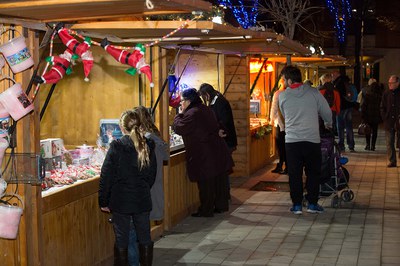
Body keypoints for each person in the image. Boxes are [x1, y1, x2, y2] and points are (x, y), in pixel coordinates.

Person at [99, 109, 157, 266]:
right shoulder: (148, 145)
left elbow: (106, 176)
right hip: (142, 199)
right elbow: (151, 175)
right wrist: (142, 189)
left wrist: (103, 201)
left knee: (122, 239)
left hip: (121, 201)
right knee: (145, 237)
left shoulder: (117, 147)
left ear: (121, 127)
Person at [278, 65, 332, 214]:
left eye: (283, 79)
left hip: (292, 141)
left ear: (289, 80)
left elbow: (283, 113)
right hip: (312, 139)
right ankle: (312, 204)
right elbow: (326, 111)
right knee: (313, 172)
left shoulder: (282, 96)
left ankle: (296, 205)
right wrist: (328, 123)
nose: (282, 82)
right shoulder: (314, 93)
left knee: (294, 174)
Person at [173, 88, 234, 217]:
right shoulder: (205, 109)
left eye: (182, 101)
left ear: (188, 101)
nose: (181, 104)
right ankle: (220, 206)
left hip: (204, 154)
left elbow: (179, 127)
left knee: (206, 184)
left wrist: (178, 115)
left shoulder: (192, 114)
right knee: (217, 183)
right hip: (215, 151)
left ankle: (206, 210)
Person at [198, 83, 237, 199]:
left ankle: (225, 194)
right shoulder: (218, 101)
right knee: (224, 168)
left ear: (206, 94)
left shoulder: (220, 102)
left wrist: (217, 131)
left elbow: (224, 121)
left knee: (223, 169)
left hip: (226, 140)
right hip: (225, 140)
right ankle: (225, 193)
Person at [332, 71, 356, 152]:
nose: (332, 76)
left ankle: (341, 145)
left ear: (338, 74)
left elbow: (337, 97)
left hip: (341, 108)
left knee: (340, 127)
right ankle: (351, 145)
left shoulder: (338, 83)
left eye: (333, 74)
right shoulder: (347, 81)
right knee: (349, 127)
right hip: (349, 106)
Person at [380, 75, 400, 167]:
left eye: (391, 83)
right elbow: (382, 106)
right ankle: (392, 160)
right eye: (389, 83)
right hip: (389, 121)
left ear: (397, 83)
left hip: (398, 121)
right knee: (389, 142)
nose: (389, 84)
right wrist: (384, 116)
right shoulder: (386, 93)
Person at [269, 81, 287, 174]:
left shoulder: (278, 93)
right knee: (287, 146)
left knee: (280, 146)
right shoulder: (291, 93)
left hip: (279, 124)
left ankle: (280, 164)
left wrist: (271, 119)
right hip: (290, 125)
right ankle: (287, 166)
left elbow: (274, 107)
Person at [361, 78, 382, 151]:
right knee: (375, 131)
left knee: (368, 130)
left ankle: (367, 145)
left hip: (368, 115)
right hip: (376, 116)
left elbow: (363, 106)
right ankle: (373, 146)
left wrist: (363, 116)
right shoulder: (380, 96)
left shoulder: (367, 95)